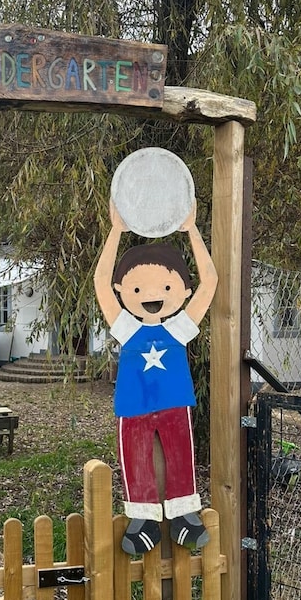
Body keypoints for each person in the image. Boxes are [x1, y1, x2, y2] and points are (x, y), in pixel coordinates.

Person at [94, 198, 217, 555]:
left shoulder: (179, 327)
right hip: (133, 405)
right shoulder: (127, 328)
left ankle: (184, 516)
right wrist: (116, 231)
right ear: (122, 291)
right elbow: (101, 281)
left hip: (175, 401)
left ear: (184, 292)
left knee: (181, 453)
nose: (151, 295)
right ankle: (143, 519)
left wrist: (192, 230)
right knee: (134, 458)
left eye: (166, 288)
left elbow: (210, 281)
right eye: (137, 290)